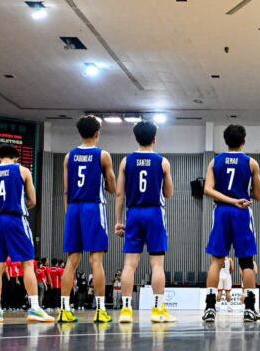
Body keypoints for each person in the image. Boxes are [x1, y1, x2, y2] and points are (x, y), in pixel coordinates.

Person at [0, 143, 54, 323]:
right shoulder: (22, 170)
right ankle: (34, 308)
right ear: (16, 158)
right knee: (28, 264)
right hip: (15, 219)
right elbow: (32, 200)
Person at [115, 120, 175, 324]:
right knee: (156, 263)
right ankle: (158, 310)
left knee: (129, 265)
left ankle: (125, 311)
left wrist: (118, 220)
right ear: (154, 138)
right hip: (154, 213)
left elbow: (120, 194)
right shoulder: (162, 162)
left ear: (136, 138)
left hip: (133, 213)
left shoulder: (126, 161)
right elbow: (168, 193)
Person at [202, 124, 260, 322]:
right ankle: (250, 309)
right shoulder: (251, 163)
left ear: (225, 141)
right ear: (243, 142)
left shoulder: (214, 162)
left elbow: (207, 190)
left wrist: (228, 199)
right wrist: (240, 196)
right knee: (246, 262)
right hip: (242, 211)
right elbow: (258, 195)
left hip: (221, 211)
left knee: (216, 261)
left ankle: (210, 307)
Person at [60, 115, 116, 323]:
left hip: (73, 208)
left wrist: (69, 215)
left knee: (71, 261)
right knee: (96, 260)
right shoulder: (102, 155)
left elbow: (66, 190)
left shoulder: (69, 156)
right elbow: (112, 188)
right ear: (97, 134)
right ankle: (100, 311)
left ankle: (64, 309)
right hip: (93, 207)